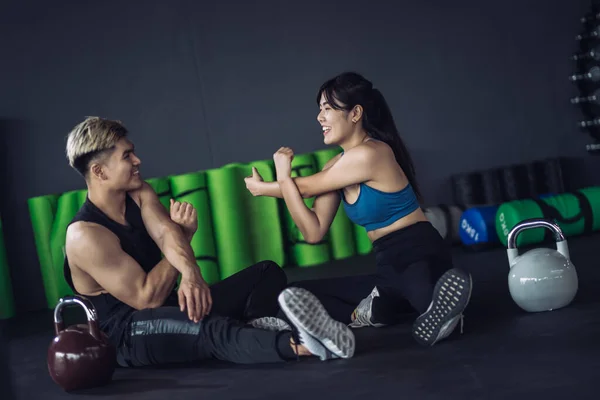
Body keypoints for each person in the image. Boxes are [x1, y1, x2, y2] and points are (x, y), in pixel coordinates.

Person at [62, 116, 355, 368]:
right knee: (213, 330)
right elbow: (146, 298)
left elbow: (166, 233)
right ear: (100, 172)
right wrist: (185, 239)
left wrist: (191, 273)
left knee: (266, 273)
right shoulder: (85, 235)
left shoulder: (139, 193)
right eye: (127, 156)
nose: (138, 161)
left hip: (173, 305)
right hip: (130, 333)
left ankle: (252, 327)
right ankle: (306, 345)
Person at [244, 72, 473, 347]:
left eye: (328, 108)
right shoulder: (333, 168)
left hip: (418, 254)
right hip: (387, 266)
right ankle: (376, 310)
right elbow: (313, 231)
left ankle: (439, 310)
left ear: (355, 114)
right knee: (296, 293)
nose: (320, 117)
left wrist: (275, 181)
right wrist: (274, 184)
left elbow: (302, 188)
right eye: (319, 109)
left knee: (420, 288)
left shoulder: (372, 154)